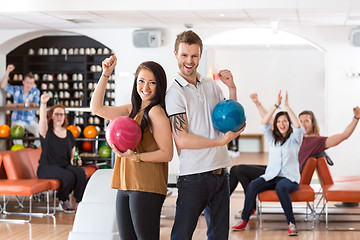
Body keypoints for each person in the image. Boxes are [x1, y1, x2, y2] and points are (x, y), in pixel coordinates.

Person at [165, 30, 245, 240]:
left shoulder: (210, 85)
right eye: (184, 55)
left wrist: (232, 89)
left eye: (194, 55)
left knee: (219, 236)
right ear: (175, 54)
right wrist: (219, 141)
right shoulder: (174, 94)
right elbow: (182, 138)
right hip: (194, 177)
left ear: (200, 56)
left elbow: (228, 119)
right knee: (181, 235)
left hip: (220, 174)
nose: (189, 61)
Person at [229, 93, 360, 217]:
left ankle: (246, 207)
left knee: (239, 171)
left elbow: (343, 136)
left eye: (307, 121)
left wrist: (356, 118)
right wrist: (258, 104)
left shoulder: (316, 141)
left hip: (286, 175)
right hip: (274, 170)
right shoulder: (291, 135)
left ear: (312, 123)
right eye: (300, 121)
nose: (303, 124)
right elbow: (271, 122)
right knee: (237, 170)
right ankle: (233, 205)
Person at [90, 55, 173, 240]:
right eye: (141, 81)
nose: (145, 87)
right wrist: (105, 74)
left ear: (160, 86)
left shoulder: (156, 112)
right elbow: (96, 108)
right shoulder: (131, 110)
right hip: (125, 184)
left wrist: (135, 156)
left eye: (152, 83)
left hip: (146, 186)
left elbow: (167, 154)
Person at [232, 91, 303, 236]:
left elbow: (297, 125)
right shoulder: (273, 139)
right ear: (275, 125)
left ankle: (291, 223)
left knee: (281, 187)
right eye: (278, 121)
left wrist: (287, 106)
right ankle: (244, 220)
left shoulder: (295, 139)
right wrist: (276, 106)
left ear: (288, 123)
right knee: (253, 185)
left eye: (284, 121)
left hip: (289, 178)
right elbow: (264, 122)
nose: (281, 124)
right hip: (272, 175)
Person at [37, 93, 87, 213]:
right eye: (56, 114)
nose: (59, 117)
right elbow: (42, 120)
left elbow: (73, 153)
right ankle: (62, 200)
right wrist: (43, 103)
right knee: (68, 176)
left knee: (80, 172)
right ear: (51, 116)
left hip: (64, 166)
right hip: (47, 168)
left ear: (65, 117)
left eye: (62, 114)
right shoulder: (46, 132)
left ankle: (80, 202)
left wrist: (76, 159)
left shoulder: (69, 133)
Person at [1, 64, 41, 148]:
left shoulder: (35, 91)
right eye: (27, 82)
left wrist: (15, 105)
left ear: (33, 84)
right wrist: (8, 71)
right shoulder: (16, 89)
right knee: (16, 135)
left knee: (42, 133)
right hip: (17, 120)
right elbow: (3, 86)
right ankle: (20, 151)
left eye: (31, 83)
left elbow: (33, 104)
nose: (29, 85)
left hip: (31, 120)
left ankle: (32, 147)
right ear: (23, 82)